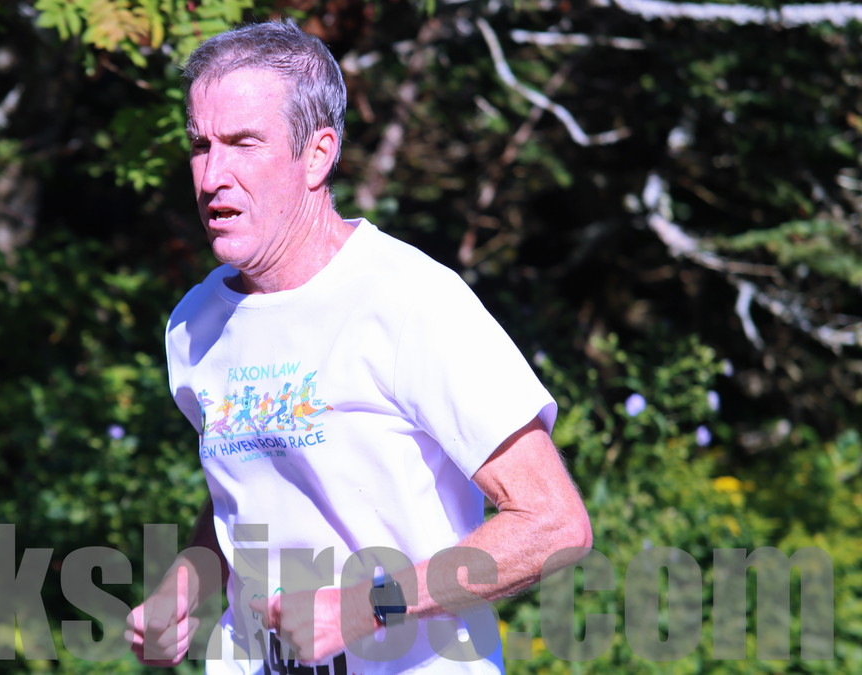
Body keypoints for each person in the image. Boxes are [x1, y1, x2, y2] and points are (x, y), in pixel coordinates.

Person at [126, 19, 591, 674]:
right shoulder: (195, 324)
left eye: (243, 143)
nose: (212, 176)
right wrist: (186, 584)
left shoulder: (410, 301)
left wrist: (369, 607)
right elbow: (252, 480)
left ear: (317, 154)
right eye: (201, 146)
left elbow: (552, 524)